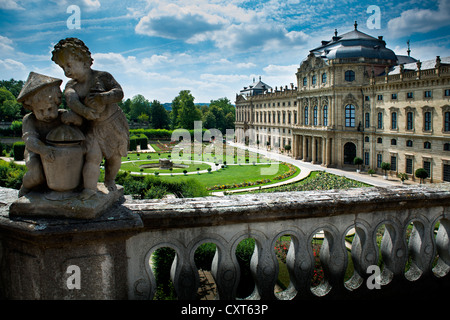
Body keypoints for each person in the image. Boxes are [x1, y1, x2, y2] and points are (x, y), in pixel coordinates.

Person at [51, 38, 129, 199]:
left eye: (69, 65)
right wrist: (85, 111)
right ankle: (89, 189)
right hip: (93, 128)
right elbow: (71, 100)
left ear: (85, 62)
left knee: (114, 158)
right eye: (63, 67)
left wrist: (104, 97)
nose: (66, 71)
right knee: (93, 158)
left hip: (113, 124)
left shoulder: (103, 76)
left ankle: (110, 180)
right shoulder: (71, 86)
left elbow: (119, 93)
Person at [17, 72, 83, 197]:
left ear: (56, 103)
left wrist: (75, 119)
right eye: (40, 111)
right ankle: (25, 189)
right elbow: (29, 140)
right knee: (36, 175)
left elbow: (81, 126)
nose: (46, 114)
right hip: (36, 151)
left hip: (61, 153)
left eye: (50, 109)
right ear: (32, 108)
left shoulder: (62, 115)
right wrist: (42, 149)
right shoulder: (29, 119)